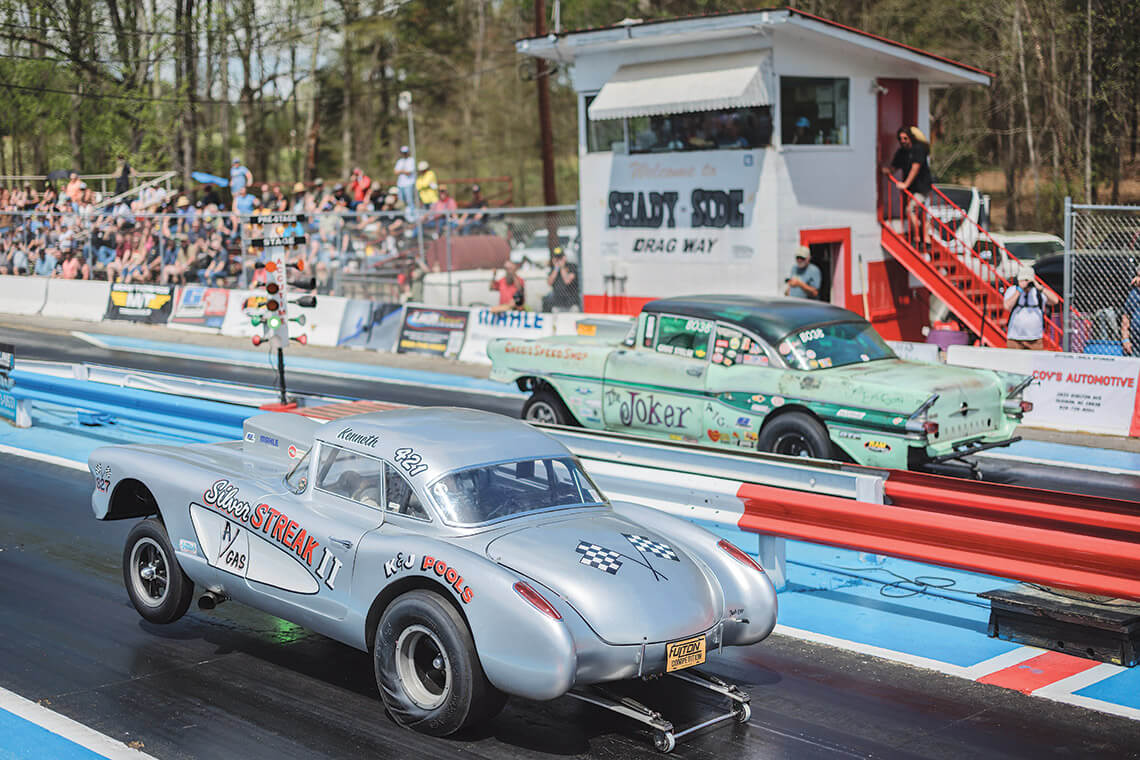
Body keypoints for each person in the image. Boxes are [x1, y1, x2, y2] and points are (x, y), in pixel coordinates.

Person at [884, 126, 934, 250]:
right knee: (921, 213)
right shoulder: (901, 152)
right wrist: (883, 169)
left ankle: (918, 238)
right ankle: (924, 239)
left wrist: (905, 184)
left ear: (910, 138)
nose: (903, 141)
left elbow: (915, 168)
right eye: (900, 139)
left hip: (923, 187)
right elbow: (893, 168)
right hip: (912, 188)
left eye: (905, 138)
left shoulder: (918, 149)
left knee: (910, 209)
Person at [1003, 265, 1059, 349]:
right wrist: (1020, 290)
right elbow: (1007, 306)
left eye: (1028, 280)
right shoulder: (1013, 290)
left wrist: (1040, 288)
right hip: (1015, 339)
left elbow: (1055, 301)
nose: (1026, 283)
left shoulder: (1038, 293)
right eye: (1023, 280)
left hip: (1035, 339)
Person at [1120, 264, 1140, 356]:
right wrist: (1125, 339)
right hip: (1136, 343)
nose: (1135, 280)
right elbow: (1126, 318)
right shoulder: (1134, 294)